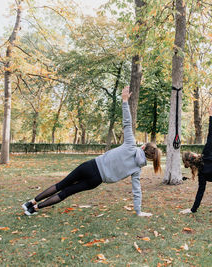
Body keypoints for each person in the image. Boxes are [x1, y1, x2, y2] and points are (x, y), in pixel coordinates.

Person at [22, 86, 161, 217]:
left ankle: (31, 202)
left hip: (91, 166)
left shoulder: (131, 145)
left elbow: (127, 122)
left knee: (61, 185)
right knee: (67, 192)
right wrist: (139, 211)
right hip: (96, 180)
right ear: (149, 159)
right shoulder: (137, 169)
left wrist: (125, 101)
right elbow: (137, 190)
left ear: (143, 147)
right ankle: (34, 209)